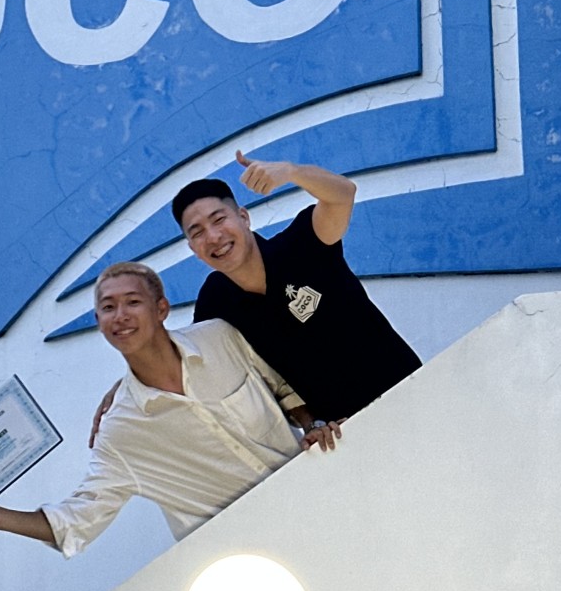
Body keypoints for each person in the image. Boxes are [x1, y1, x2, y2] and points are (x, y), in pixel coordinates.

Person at [0, 261, 335, 557]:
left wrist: (311, 424)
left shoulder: (220, 337)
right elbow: (77, 520)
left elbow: (283, 387)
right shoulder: (120, 431)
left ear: (161, 308)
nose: (120, 315)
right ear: (99, 323)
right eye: (108, 307)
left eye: (133, 302)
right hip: (249, 557)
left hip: (322, 497)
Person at [90, 152, 421, 444]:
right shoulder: (215, 303)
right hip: (343, 435)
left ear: (244, 218)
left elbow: (343, 194)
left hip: (411, 389)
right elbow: (186, 360)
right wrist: (130, 386)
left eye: (219, 219)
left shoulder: (303, 244)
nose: (213, 237)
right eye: (198, 232)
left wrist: (291, 172)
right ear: (193, 249)